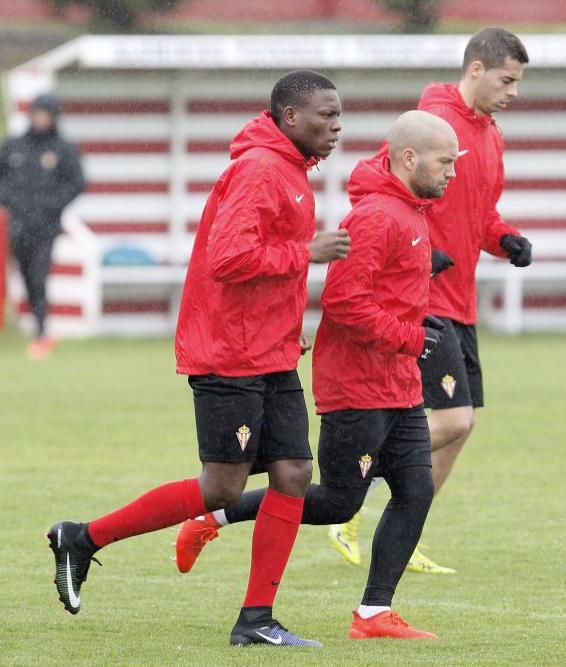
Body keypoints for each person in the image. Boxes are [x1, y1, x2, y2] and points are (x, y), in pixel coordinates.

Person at [45, 70, 350, 648]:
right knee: (222, 490)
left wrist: (288, 328)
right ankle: (81, 537)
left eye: (339, 116)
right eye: (326, 115)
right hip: (230, 353)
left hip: (270, 352)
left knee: (293, 473)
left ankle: (256, 620)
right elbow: (229, 259)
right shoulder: (260, 170)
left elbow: (256, 270)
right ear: (289, 117)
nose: (336, 126)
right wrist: (306, 253)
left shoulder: (287, 170)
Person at [174, 110, 460, 640]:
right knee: (337, 501)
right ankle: (213, 517)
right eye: (446, 162)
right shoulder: (377, 216)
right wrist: (411, 336)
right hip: (357, 385)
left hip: (397, 383)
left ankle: (373, 614)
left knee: (416, 489)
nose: (452, 173)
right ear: (410, 158)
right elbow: (345, 301)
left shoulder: (413, 210)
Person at [326, 27, 533, 574]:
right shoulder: (433, 120)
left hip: (460, 301)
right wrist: (422, 250)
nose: (513, 92)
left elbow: (482, 213)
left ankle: (404, 530)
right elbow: (369, 179)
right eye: (507, 80)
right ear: (476, 70)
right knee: (452, 419)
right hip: (422, 299)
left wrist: (504, 237)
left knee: (462, 427)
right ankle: (348, 511)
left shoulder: (492, 136)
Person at [0, 93, 85, 360]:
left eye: (45, 114)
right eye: (37, 113)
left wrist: (54, 204)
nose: (40, 119)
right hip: (19, 224)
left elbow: (77, 182)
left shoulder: (62, 148)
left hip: (45, 226)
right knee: (28, 277)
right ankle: (40, 330)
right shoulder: (14, 145)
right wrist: (8, 201)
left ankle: (42, 333)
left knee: (39, 275)